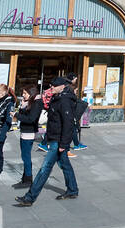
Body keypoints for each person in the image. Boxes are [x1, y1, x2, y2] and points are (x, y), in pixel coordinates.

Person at [15, 77, 79, 206]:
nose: (51, 89)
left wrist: (64, 144)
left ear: (62, 86)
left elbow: (68, 124)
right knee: (65, 165)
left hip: (58, 140)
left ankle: (30, 197)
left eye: (53, 87)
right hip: (55, 137)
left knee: (45, 168)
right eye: (51, 87)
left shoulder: (65, 100)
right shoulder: (58, 98)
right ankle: (72, 189)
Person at [14, 86, 43, 189]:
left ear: (31, 94)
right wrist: (22, 107)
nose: (23, 95)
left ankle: (28, 179)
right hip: (24, 131)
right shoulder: (28, 103)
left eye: (25, 93)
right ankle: (25, 179)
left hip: (29, 132)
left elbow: (31, 119)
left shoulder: (36, 103)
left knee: (26, 157)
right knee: (24, 156)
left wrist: (17, 115)